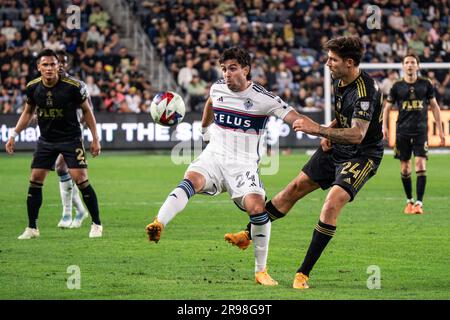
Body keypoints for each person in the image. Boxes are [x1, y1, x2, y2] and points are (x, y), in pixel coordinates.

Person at [225, 36, 384, 289]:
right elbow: (345, 119)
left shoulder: (366, 91)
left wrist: (318, 130)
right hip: (336, 148)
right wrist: (331, 128)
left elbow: (358, 134)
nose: (327, 63)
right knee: (293, 189)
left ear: (350, 62)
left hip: (361, 155)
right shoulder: (341, 80)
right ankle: (247, 234)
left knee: (332, 202)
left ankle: (303, 273)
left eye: (333, 59)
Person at [145, 47, 303, 286]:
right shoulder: (218, 88)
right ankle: (159, 222)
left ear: (246, 70)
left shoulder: (264, 98)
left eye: (232, 68)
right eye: (223, 69)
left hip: (243, 165)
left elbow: (294, 117)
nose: (226, 74)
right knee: (191, 180)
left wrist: (322, 131)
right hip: (215, 156)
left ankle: (261, 271)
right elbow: (210, 102)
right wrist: (205, 130)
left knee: (258, 209)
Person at [5, 49, 103, 239]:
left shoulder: (73, 86)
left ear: (59, 66)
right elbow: (27, 112)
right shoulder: (33, 87)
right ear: (38, 67)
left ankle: (97, 224)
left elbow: (87, 111)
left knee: (81, 180)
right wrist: (14, 134)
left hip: (71, 139)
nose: (49, 68)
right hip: (46, 141)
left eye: (52, 64)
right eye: (45, 65)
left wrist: (95, 138)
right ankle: (32, 228)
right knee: (35, 180)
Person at [382, 54, 445, 214]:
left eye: (413, 62)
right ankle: (409, 201)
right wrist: (384, 126)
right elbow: (387, 108)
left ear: (418, 66)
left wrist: (440, 130)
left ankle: (419, 203)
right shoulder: (397, 86)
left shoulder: (426, 84)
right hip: (402, 131)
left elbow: (435, 107)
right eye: (407, 62)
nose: (410, 65)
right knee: (404, 168)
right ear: (403, 66)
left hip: (421, 131)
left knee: (420, 164)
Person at [54, 51, 89, 229]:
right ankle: (80, 211)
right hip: (53, 134)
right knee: (67, 174)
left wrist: (78, 126)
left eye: (63, 62)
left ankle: (66, 213)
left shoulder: (76, 85)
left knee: (61, 167)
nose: (60, 65)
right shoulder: (47, 85)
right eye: (57, 62)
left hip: (72, 134)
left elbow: (88, 110)